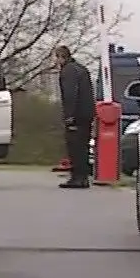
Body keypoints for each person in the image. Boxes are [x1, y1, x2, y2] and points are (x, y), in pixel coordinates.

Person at [54, 44, 95, 189]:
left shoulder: (68, 71)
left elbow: (70, 94)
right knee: (83, 147)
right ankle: (82, 177)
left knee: (75, 146)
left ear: (61, 57)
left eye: (56, 58)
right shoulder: (81, 69)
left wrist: (69, 115)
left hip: (77, 114)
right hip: (86, 113)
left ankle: (77, 177)